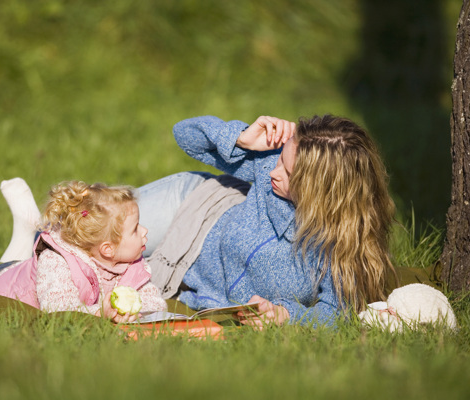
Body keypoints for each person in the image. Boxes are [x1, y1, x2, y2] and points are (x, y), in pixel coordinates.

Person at [137, 114, 396, 328]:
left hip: (183, 269)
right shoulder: (269, 165)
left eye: (288, 172)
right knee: (100, 222)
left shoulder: (339, 247)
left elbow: (338, 312)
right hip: (194, 207)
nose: (273, 171)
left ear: (324, 191)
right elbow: (185, 135)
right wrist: (241, 138)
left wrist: (288, 316)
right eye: (281, 158)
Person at [0, 178, 167, 323]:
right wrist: (101, 313)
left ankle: (25, 228)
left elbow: (155, 302)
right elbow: (59, 310)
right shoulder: (58, 263)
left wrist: (137, 313)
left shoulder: (130, 262)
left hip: (18, 274)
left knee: (18, 269)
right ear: (107, 249)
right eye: (136, 228)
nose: (145, 233)